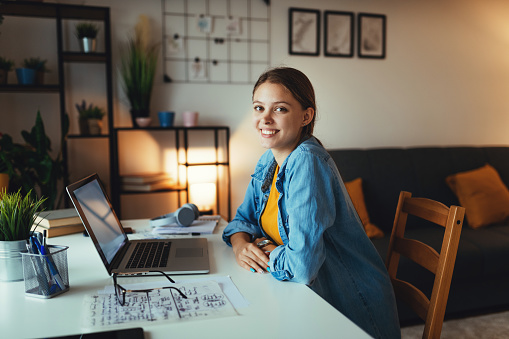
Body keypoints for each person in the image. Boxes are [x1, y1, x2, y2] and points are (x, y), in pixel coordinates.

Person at [222, 67, 401, 338]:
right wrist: (239, 246)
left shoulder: (307, 162)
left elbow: (302, 267)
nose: (265, 119)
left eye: (279, 109)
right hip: (307, 296)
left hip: (349, 305)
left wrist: (257, 244)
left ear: (306, 116)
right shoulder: (269, 160)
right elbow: (241, 220)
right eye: (259, 108)